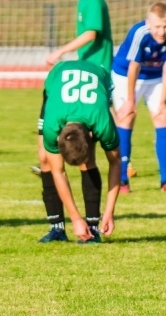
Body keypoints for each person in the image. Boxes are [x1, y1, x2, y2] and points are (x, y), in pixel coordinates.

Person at [33, 0, 114, 176]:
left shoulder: (93, 0)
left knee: (102, 126)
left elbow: (91, 33)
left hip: (97, 72)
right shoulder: (85, 0)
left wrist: (61, 51)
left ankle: (122, 167)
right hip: (87, 70)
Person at [38, 60, 121, 244]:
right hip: (57, 76)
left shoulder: (103, 123)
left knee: (87, 161)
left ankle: (93, 229)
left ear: (91, 134)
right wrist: (75, 218)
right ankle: (56, 229)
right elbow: (58, 171)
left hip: (99, 77)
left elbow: (115, 162)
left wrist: (109, 212)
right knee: (45, 159)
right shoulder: (53, 125)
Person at [111, 1, 166, 194]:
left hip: (156, 76)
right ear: (148, 23)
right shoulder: (140, 32)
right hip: (125, 74)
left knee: (163, 116)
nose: (162, 32)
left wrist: (162, 101)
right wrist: (130, 100)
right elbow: (133, 67)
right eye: (158, 27)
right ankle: (122, 182)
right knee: (127, 117)